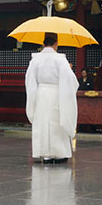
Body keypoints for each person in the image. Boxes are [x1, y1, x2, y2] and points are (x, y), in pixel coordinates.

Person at [24, 33, 79, 163]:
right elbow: (70, 80)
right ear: (56, 44)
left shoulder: (35, 59)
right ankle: (59, 154)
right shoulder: (60, 59)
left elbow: (29, 80)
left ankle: (44, 154)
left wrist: (33, 98)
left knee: (42, 122)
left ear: (43, 44)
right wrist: (70, 70)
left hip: (41, 93)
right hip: (56, 93)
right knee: (57, 121)